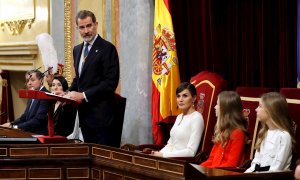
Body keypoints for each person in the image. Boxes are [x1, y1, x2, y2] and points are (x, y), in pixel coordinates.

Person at [67, 10, 120, 146]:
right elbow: (79, 79)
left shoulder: (108, 48)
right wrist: (66, 94)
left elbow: (110, 83)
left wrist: (83, 95)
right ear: (77, 28)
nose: (86, 31)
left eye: (89, 26)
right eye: (82, 27)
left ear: (96, 24)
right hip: (84, 116)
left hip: (103, 118)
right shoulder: (77, 50)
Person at [245, 92, 295, 173]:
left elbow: (277, 169)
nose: (256, 109)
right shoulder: (263, 133)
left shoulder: (284, 136)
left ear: (271, 111)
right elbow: (255, 164)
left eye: (260, 106)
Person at [151, 82, 204, 157]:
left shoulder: (197, 118)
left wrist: (164, 155)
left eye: (185, 96)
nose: (180, 100)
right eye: (178, 96)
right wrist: (157, 155)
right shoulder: (179, 117)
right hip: (170, 160)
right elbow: (170, 145)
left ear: (194, 98)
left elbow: (191, 152)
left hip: (182, 163)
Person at [201, 91, 248, 168]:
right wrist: (198, 169)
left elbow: (231, 164)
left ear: (226, 109)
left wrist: (209, 171)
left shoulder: (238, 133)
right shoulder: (222, 131)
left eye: (218, 104)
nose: (215, 107)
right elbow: (211, 159)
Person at [0, 69, 49, 135]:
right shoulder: (32, 95)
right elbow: (25, 117)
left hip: (40, 135)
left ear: (41, 80)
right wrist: (10, 124)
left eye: (32, 80)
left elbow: (38, 120)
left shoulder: (45, 95)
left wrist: (15, 127)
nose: (29, 83)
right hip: (30, 133)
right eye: (27, 80)